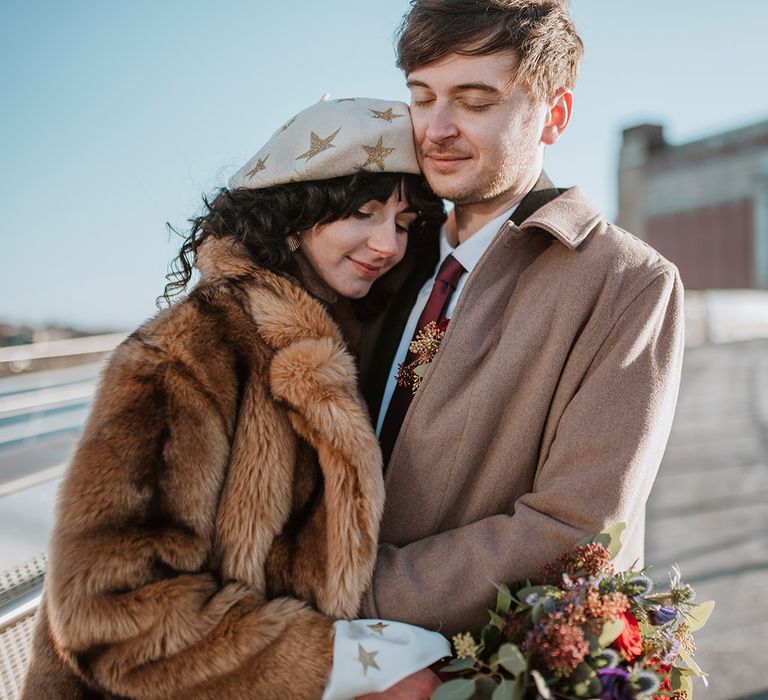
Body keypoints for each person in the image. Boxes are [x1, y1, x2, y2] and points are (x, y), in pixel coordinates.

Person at [21, 97, 450, 700]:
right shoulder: (188, 353)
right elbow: (109, 612)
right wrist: (335, 661)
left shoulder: (336, 341)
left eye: (403, 225)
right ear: (295, 212)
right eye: (364, 213)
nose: (388, 245)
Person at [353, 2, 685, 694]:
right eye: (421, 97)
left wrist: (348, 588)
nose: (437, 129)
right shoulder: (377, 256)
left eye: (476, 102)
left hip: (471, 675)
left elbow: (577, 528)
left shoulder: (627, 282)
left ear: (555, 117)